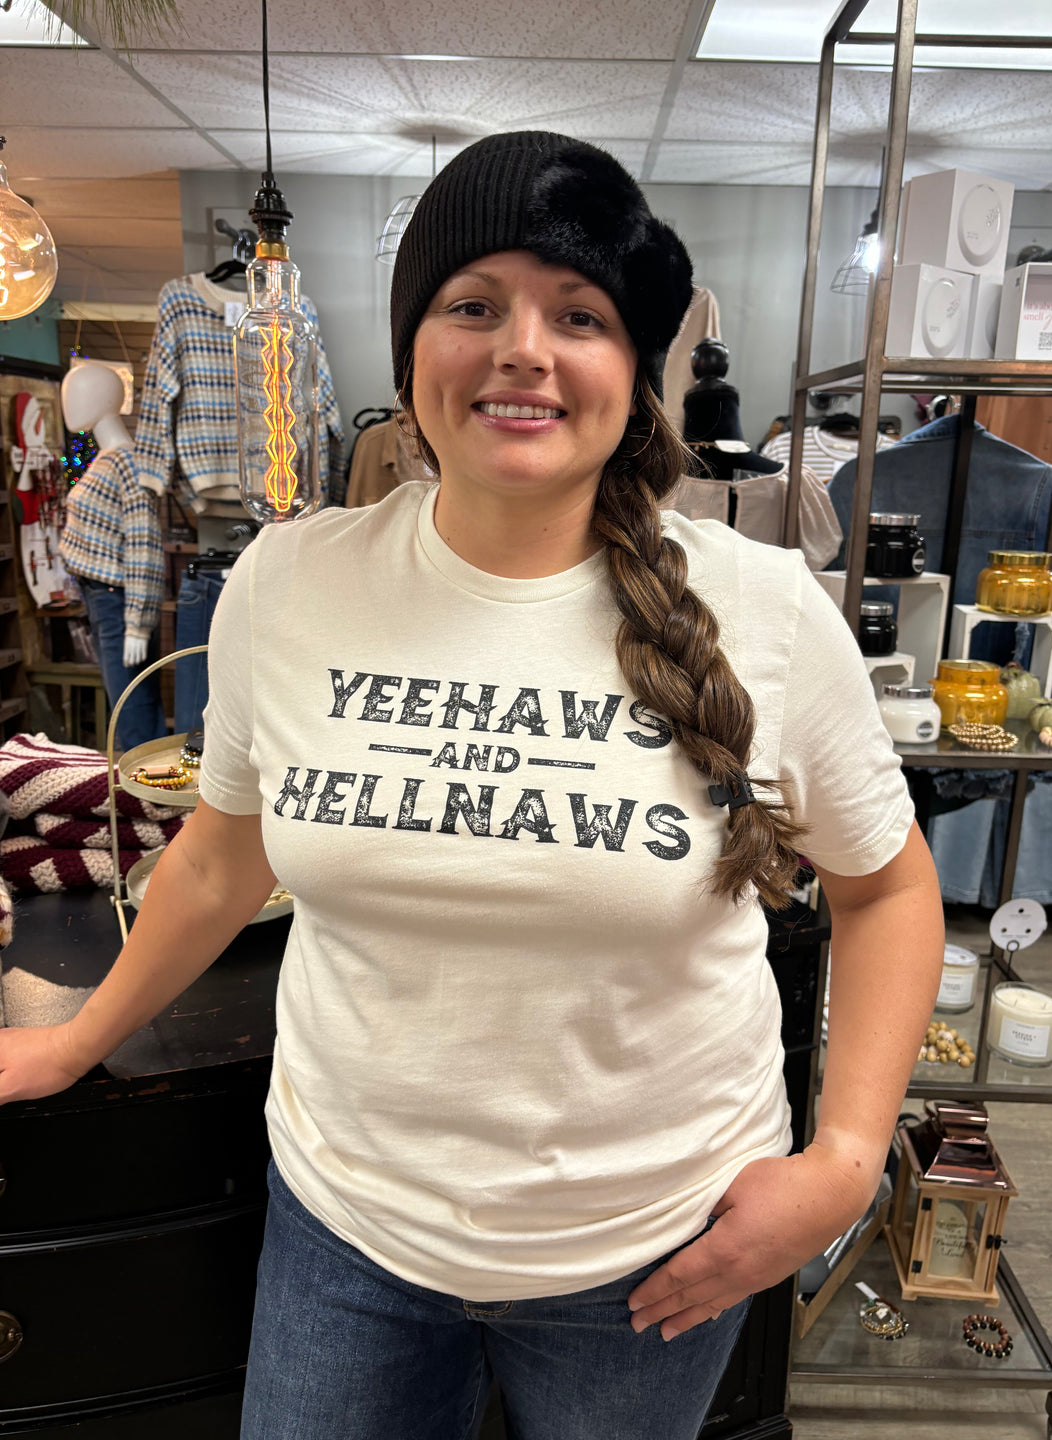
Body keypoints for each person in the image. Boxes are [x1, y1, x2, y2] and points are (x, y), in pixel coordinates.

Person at [0, 131, 944, 1440]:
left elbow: (887, 890)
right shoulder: (291, 582)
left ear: (636, 370)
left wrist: (843, 1164)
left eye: (580, 314)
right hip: (350, 1233)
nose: (523, 350)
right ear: (411, 354)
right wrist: (74, 1039)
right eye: (473, 305)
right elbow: (220, 857)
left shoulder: (764, 609)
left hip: (654, 1252)